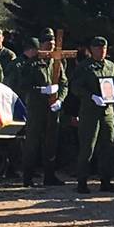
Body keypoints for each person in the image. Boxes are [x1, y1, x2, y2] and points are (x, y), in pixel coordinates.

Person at [70, 36, 114, 194]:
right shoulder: (84, 67)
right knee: (88, 147)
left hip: (108, 112)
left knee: (108, 145)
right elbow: (75, 87)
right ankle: (82, 182)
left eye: (104, 48)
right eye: (98, 48)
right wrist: (91, 96)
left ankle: (106, 181)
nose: (102, 51)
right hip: (89, 112)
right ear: (92, 49)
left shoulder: (111, 66)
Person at [18, 33, 68, 187]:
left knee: (51, 143)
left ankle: (50, 176)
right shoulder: (31, 64)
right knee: (32, 143)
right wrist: (40, 90)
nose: (50, 46)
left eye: (52, 43)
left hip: (52, 109)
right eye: (47, 43)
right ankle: (28, 177)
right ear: (41, 45)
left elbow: (64, 83)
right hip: (36, 108)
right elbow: (23, 85)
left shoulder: (57, 62)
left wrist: (60, 99)